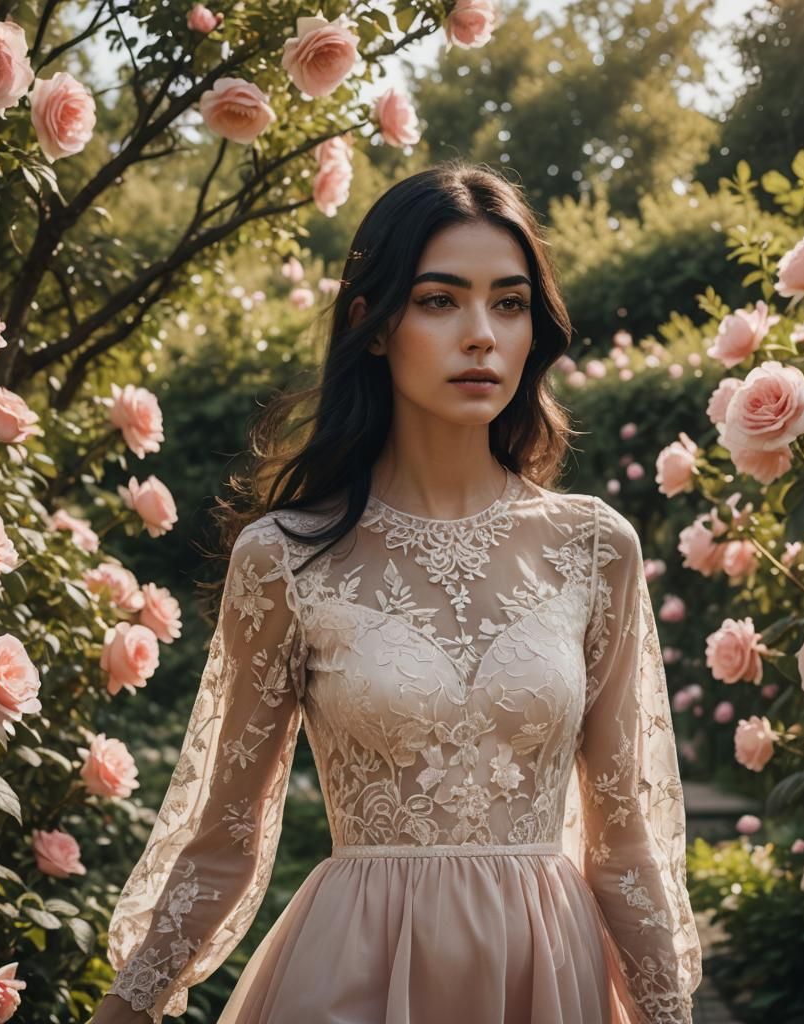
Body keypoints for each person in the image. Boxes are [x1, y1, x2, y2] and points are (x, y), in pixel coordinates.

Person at [91, 160, 702, 1024]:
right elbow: (223, 837)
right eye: (440, 299)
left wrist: (668, 1012)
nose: (482, 334)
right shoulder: (284, 557)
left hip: (547, 979)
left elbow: (624, 842)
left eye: (510, 302)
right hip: (355, 976)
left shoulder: (594, 547)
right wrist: (128, 1005)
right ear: (373, 326)